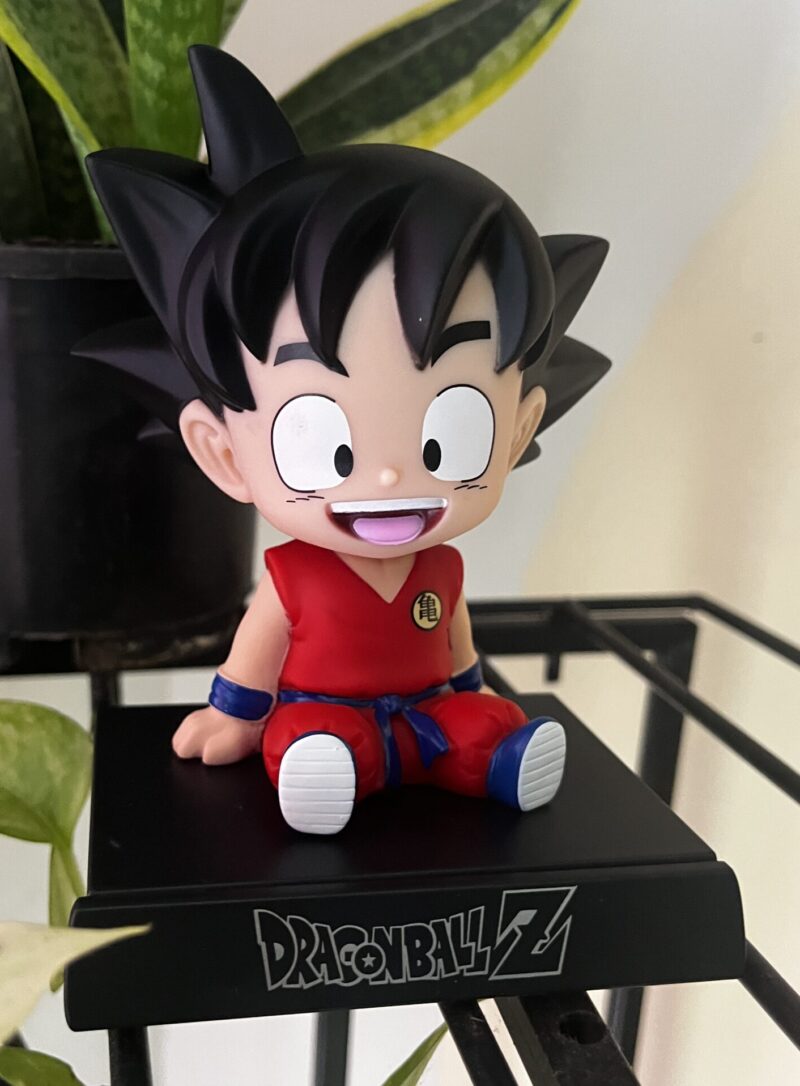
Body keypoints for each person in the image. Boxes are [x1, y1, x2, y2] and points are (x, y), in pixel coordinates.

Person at [78, 46, 610, 835]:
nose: (390, 476)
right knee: (317, 738)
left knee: (475, 728)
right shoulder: (292, 578)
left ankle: (500, 758)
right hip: (325, 712)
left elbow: (456, 644)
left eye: (452, 435)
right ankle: (320, 768)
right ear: (222, 451)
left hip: (429, 712)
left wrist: (474, 693)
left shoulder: (441, 568)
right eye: (323, 444)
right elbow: (255, 654)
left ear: (518, 429)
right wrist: (235, 718)